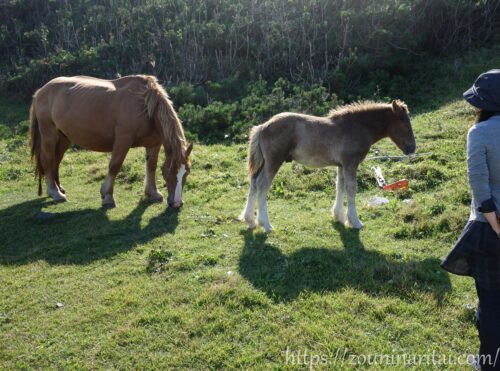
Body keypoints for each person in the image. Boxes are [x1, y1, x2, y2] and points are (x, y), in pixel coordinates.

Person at [441, 69, 500, 370]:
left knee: (490, 302)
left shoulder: (479, 133)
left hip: (490, 227)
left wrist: (495, 223)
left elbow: (479, 184)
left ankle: (488, 364)